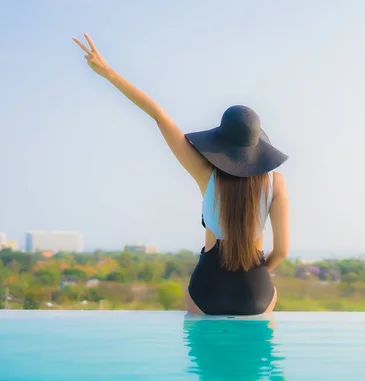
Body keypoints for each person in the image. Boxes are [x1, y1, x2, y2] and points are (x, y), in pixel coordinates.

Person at [73, 33, 290, 315]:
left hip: (207, 288)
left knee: (205, 355)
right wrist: (256, 274)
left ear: (222, 145)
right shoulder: (277, 183)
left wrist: (107, 73)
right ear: (257, 147)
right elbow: (282, 251)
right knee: (254, 352)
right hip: (254, 290)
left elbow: (159, 116)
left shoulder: (205, 173)